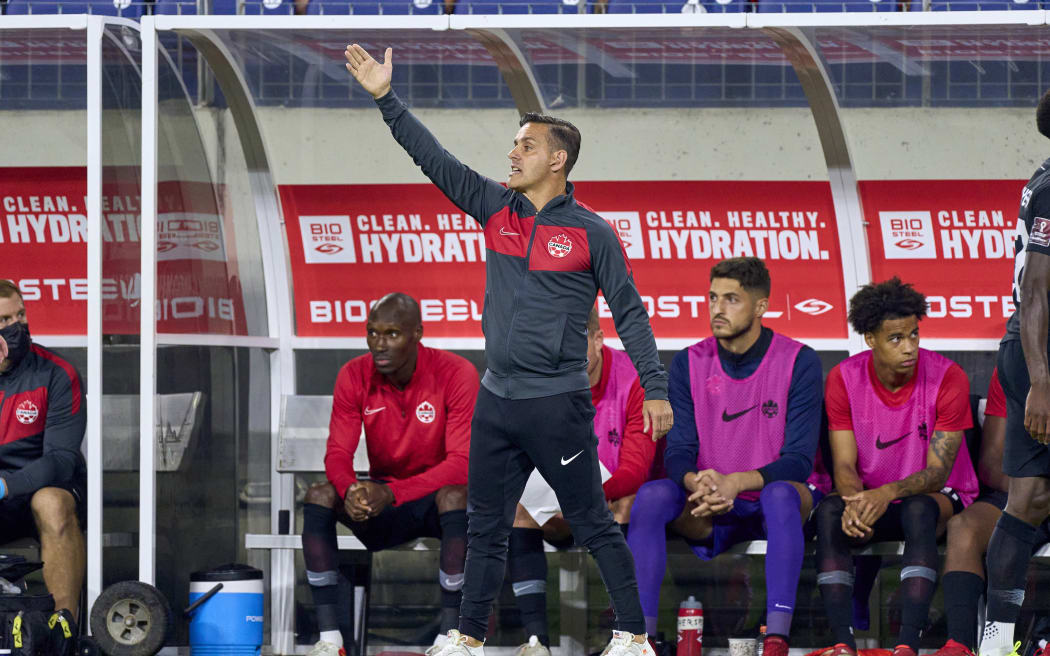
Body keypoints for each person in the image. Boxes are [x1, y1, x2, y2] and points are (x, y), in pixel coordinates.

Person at [342, 44, 673, 656]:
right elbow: (433, 160)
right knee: (485, 526)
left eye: (525, 145)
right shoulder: (496, 208)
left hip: (556, 405)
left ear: (558, 159)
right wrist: (386, 99)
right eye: (513, 144)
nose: (513, 153)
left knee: (595, 525)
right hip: (498, 400)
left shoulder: (591, 232)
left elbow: (629, 311)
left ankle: (634, 637)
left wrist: (654, 386)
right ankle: (466, 636)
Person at [626, 257, 829, 656]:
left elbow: (799, 459)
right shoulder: (687, 361)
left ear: (760, 306)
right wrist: (695, 481)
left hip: (770, 500)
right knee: (651, 497)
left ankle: (776, 639)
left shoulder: (799, 361)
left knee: (782, 495)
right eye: (713, 297)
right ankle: (638, 639)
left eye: (731, 299)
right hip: (710, 502)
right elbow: (680, 451)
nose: (717, 309)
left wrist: (736, 482)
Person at [303, 293, 479, 656]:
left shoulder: (456, 372)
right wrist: (351, 489)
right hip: (385, 502)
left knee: (455, 495)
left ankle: (451, 638)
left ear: (417, 333)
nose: (379, 345)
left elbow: (462, 462)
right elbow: (337, 453)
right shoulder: (353, 374)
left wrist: (393, 493)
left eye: (392, 334)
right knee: (320, 495)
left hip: (434, 503)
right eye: (372, 333)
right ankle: (329, 639)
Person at [815, 277, 978, 656]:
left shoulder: (948, 376)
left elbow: (937, 474)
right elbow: (843, 461)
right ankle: (842, 644)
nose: (910, 347)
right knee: (830, 511)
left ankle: (907, 644)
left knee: (919, 510)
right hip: (871, 497)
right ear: (870, 338)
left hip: (937, 496)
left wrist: (885, 494)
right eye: (896, 339)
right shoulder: (843, 378)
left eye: (914, 335)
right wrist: (856, 502)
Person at [508, 306, 659, 656]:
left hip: (607, 501)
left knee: (630, 500)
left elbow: (635, 469)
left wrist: (583, 496)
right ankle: (537, 643)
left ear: (598, 339)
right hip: (559, 504)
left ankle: (626, 636)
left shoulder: (636, 379)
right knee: (516, 506)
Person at [980, 88, 1050, 656]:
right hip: (1040, 356)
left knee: (1033, 500)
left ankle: (1008, 638)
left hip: (1034, 355)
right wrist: (1042, 381)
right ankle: (997, 639)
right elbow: (1035, 293)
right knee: (1027, 499)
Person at [931, 368, 1050, 656]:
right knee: (964, 528)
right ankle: (959, 645)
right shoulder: (1015, 365)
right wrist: (1033, 491)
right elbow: (991, 462)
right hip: (1022, 493)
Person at [0, 280, 86, 627]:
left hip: (36, 490)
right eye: (5, 319)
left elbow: (61, 460)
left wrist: (6, 485)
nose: (17, 326)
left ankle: (62, 630)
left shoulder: (56, 372)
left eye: (20, 314)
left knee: (51, 501)